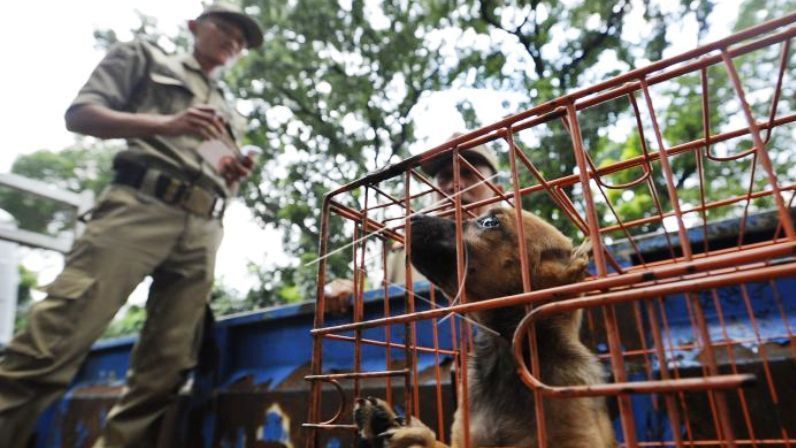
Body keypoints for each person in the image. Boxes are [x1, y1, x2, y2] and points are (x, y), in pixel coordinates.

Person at [0, 3, 263, 447]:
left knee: (165, 373)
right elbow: (81, 114)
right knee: (51, 346)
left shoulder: (228, 111)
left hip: (204, 227)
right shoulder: (145, 57)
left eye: (241, 40)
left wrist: (232, 171)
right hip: (139, 208)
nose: (233, 42)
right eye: (225, 29)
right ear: (195, 26)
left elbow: (215, 167)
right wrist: (168, 123)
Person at [323, 137, 502, 309]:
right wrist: (351, 297)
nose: (454, 185)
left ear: (497, 193)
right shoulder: (404, 252)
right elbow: (384, 310)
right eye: (445, 176)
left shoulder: (516, 245)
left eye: (469, 173)